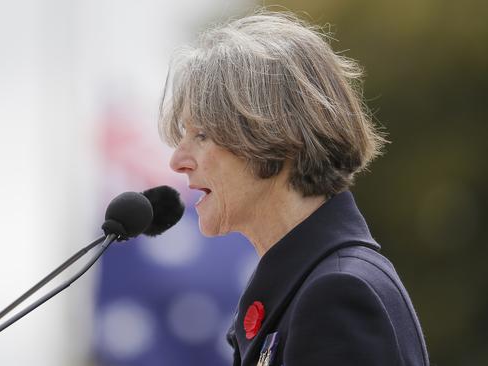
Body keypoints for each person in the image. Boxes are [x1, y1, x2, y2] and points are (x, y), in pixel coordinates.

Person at [158, 12, 429, 366]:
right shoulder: (314, 285)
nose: (178, 160)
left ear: (275, 134)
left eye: (202, 135)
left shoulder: (335, 296)